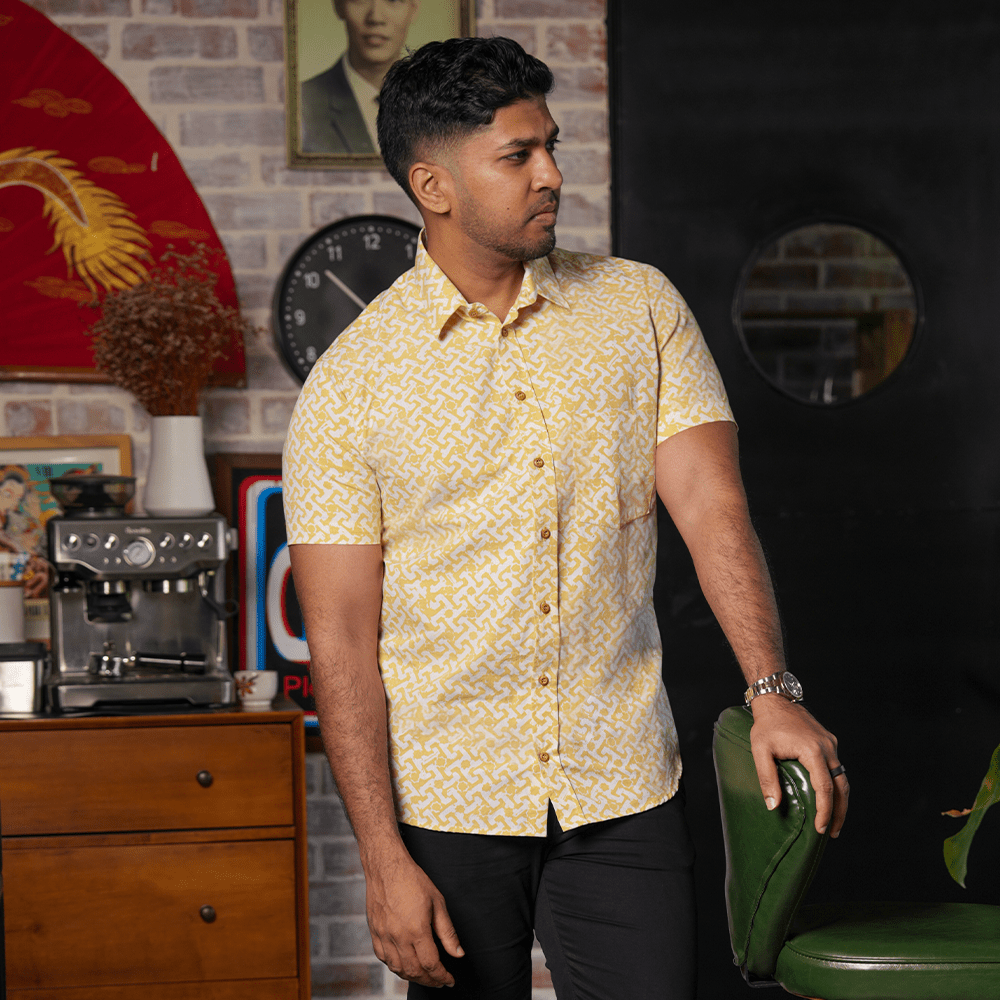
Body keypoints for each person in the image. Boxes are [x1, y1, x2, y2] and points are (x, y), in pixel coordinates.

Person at [283, 36, 850, 1000]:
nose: (552, 174)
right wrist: (381, 857)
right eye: (518, 156)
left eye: (551, 145)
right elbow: (339, 636)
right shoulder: (350, 388)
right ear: (434, 185)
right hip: (448, 801)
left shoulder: (640, 309)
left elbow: (714, 508)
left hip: (622, 781)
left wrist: (773, 688)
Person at [299, 0, 420, 154]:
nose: (376, 18)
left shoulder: (442, 104)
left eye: (393, 0)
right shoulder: (301, 104)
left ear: (414, 9)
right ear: (338, 6)